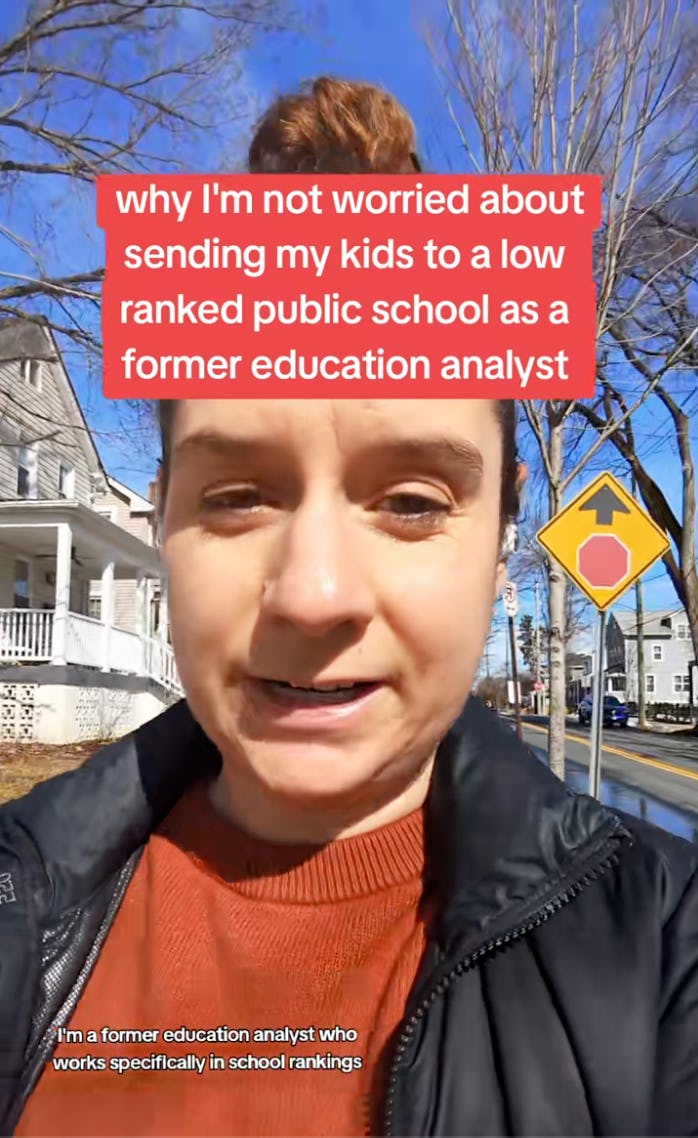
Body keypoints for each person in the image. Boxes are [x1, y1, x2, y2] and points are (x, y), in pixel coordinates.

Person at [2, 76, 697, 1138]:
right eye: (237, 495)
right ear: (162, 515)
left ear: (501, 541)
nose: (315, 594)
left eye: (411, 502)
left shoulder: (666, 955)